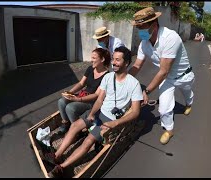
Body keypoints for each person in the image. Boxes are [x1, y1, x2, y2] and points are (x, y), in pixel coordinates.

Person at [47, 46, 143, 177]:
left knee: (88, 140)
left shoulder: (134, 84)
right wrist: (91, 114)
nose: (114, 62)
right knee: (75, 125)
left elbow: (135, 112)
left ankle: (61, 167)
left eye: (118, 60)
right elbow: (99, 99)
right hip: (99, 112)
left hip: (111, 119)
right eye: (113, 59)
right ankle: (57, 155)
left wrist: (116, 123)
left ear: (126, 63)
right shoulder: (108, 77)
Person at [129, 7, 195, 145]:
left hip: (183, 76)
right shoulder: (144, 44)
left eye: (141, 27)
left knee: (187, 95)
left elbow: (163, 71)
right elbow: (136, 66)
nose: (139, 31)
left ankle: (189, 103)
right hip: (168, 79)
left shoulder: (170, 38)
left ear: (154, 24)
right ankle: (169, 130)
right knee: (164, 108)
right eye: (138, 27)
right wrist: (122, 79)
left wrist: (146, 91)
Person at [58, 48, 111, 133]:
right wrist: (70, 92)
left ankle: (77, 130)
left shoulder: (107, 76)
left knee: (70, 108)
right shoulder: (90, 68)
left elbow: (96, 95)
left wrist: (78, 99)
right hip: (82, 95)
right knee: (61, 101)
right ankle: (66, 123)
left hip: (92, 102)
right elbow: (81, 83)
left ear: (102, 59)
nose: (91, 60)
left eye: (94, 58)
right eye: (91, 58)